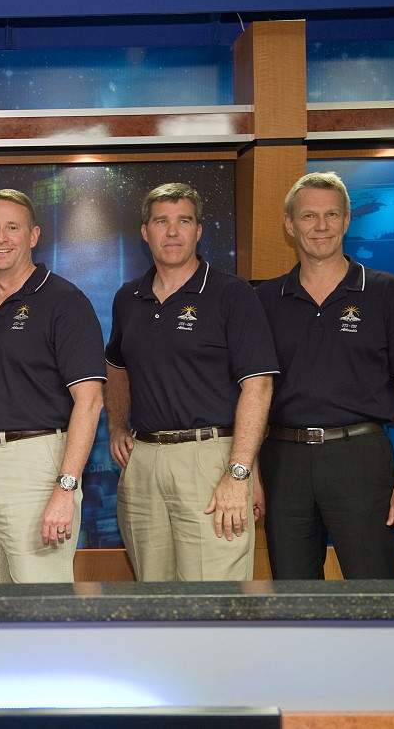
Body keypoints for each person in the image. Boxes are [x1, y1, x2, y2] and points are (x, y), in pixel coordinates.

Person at [257, 172, 394, 579]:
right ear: (289, 224)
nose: (321, 226)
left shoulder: (387, 292)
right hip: (283, 462)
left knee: (377, 592)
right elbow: (254, 392)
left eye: (332, 214)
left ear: (347, 220)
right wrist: (249, 473)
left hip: (361, 459)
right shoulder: (264, 300)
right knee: (294, 596)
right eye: (309, 215)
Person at [104, 182, 278, 581]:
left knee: (213, 597)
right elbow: (116, 366)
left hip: (211, 460)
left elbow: (259, 386)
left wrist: (239, 472)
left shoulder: (232, 294)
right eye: (161, 221)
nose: (172, 232)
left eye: (183, 221)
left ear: (198, 231)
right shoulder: (128, 298)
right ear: (145, 231)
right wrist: (116, 426)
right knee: (154, 593)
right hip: (144, 462)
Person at [0, 189, 105, 583]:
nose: (2, 238)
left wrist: (66, 488)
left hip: (36, 465)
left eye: (13, 228)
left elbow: (90, 402)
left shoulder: (65, 301)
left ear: (32, 236)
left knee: (39, 602)